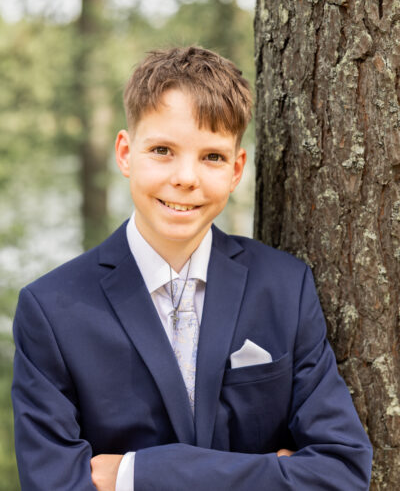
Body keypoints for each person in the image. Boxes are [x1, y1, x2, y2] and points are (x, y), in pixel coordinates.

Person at [12, 46, 372, 491]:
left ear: (237, 169)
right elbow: (54, 483)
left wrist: (133, 475)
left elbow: (341, 471)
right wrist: (272, 472)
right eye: (162, 150)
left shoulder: (284, 286)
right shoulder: (51, 309)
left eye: (212, 157)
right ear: (125, 154)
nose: (186, 177)